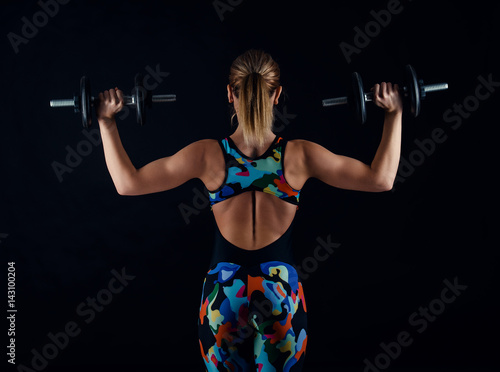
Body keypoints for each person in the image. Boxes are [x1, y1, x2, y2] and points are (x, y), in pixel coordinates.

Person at [95, 49, 402, 371]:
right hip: (279, 289)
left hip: (224, 293)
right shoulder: (299, 155)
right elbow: (381, 180)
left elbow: (127, 184)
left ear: (230, 93)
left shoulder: (207, 155)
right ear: (277, 94)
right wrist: (393, 113)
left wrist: (106, 122)